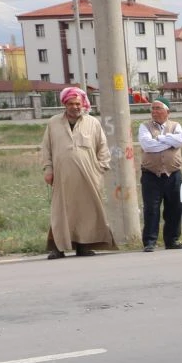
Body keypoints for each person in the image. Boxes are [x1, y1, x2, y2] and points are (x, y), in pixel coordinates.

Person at [39, 86, 114, 258]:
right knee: (61, 212)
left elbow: (102, 147)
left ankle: (84, 246)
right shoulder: (53, 123)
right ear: (65, 104)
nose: (75, 107)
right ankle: (59, 247)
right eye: (71, 104)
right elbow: (46, 149)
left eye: (78, 103)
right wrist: (48, 169)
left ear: (83, 104)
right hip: (62, 177)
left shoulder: (92, 123)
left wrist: (100, 169)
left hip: (88, 177)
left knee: (86, 212)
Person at [137, 101, 182, 252]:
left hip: (173, 174)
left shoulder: (176, 125)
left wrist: (159, 138)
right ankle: (150, 242)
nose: (154, 112)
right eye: (152, 109)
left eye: (158, 108)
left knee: (174, 208)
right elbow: (148, 146)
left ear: (167, 112)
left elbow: (180, 141)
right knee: (151, 209)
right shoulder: (144, 127)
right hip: (151, 175)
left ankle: (172, 240)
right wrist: (169, 142)